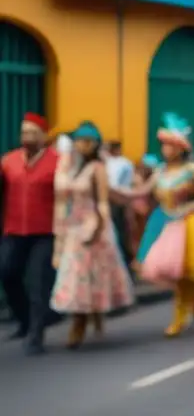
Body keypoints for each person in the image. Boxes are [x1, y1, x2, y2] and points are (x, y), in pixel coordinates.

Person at [132, 114, 194, 336]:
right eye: (164, 145)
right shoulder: (160, 171)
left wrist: (188, 209)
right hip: (164, 221)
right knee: (174, 272)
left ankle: (180, 316)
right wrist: (110, 194)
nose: (165, 150)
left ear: (181, 148)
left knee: (185, 272)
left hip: (189, 223)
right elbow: (141, 192)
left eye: (170, 146)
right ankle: (191, 302)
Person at [50, 122, 134, 347]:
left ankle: (81, 322)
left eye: (88, 141)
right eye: (79, 141)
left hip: (93, 227)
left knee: (90, 276)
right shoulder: (71, 167)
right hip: (74, 228)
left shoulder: (98, 168)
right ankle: (86, 317)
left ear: (95, 144)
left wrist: (99, 228)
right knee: (76, 277)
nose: (82, 145)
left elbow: (104, 202)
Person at [0, 112, 59, 354]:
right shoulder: (8, 161)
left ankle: (36, 335)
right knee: (7, 273)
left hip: (45, 232)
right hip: (13, 229)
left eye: (33, 133)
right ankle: (25, 321)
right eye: (24, 132)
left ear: (44, 136)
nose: (27, 137)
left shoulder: (58, 162)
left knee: (38, 283)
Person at [104, 140, 135, 264]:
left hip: (119, 199)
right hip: (114, 198)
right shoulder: (110, 162)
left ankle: (124, 258)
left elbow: (116, 183)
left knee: (120, 230)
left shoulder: (123, 163)